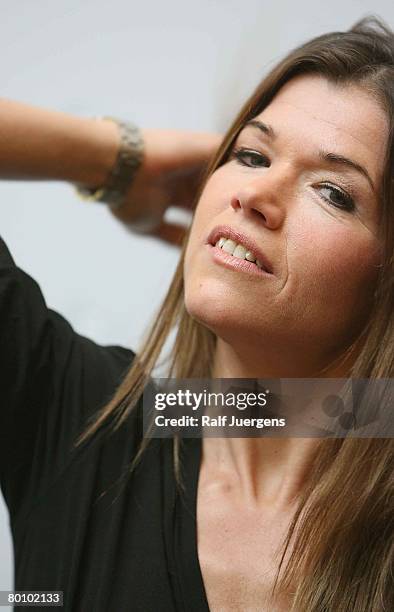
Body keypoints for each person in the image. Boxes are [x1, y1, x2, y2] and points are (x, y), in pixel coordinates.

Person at [0, 15, 393, 612]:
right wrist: (119, 160)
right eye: (252, 154)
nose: (254, 195)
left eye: (333, 192)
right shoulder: (86, 418)